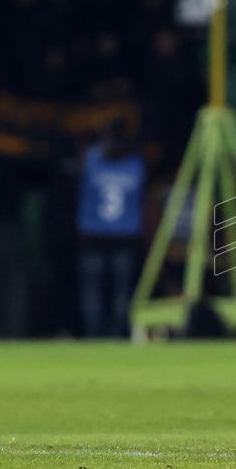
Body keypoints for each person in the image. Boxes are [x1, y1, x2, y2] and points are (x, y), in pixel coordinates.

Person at [77, 118, 146, 338]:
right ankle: (110, 337)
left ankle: (101, 336)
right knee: (117, 293)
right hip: (122, 233)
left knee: (102, 293)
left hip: (97, 232)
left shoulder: (93, 158)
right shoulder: (135, 163)